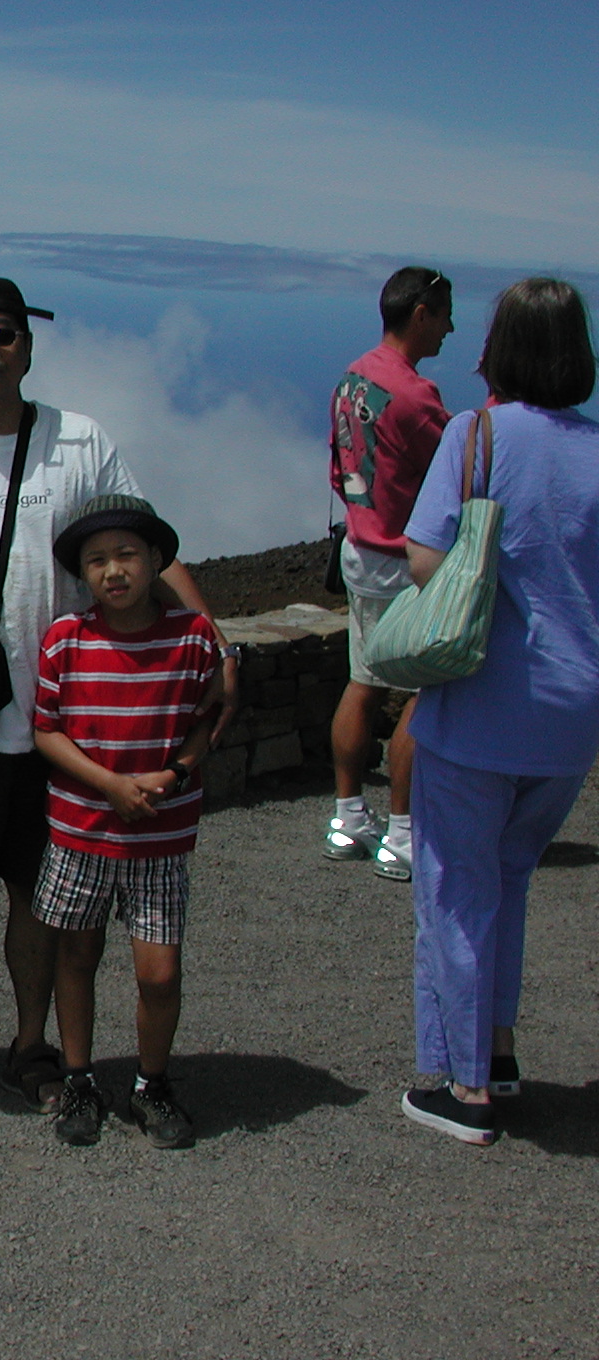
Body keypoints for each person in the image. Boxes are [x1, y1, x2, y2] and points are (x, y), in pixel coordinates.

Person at [0, 274, 235, 1123]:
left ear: (26, 347)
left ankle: (33, 1051)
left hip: (69, 726)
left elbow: (143, 545)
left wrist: (215, 645)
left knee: (46, 904)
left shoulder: (80, 441)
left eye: (1, 333)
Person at [401, 277, 599, 1146]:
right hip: (573, 716)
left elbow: (423, 559)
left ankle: (467, 1085)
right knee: (509, 881)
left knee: (455, 892)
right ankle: (501, 1051)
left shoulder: (476, 435)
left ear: (502, 348)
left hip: (484, 705)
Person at [31, 496, 218, 1149]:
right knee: (76, 955)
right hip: (82, 828)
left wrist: (175, 774)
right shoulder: (66, 638)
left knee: (158, 972)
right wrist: (110, 785)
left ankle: (151, 1082)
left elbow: (207, 718)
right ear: (82, 572)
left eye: (127, 555)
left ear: (156, 561)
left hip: (161, 834)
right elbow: (47, 731)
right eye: (97, 560)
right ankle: (79, 1077)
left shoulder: (193, 637)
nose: (113, 571)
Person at [326, 267, 455, 880]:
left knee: (364, 682)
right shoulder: (416, 396)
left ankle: (348, 817)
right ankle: (402, 835)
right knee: (425, 694)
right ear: (421, 313)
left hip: (360, 550)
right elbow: (460, 469)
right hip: (405, 564)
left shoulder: (353, 376)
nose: (450, 329)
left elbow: (340, 467)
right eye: (445, 316)